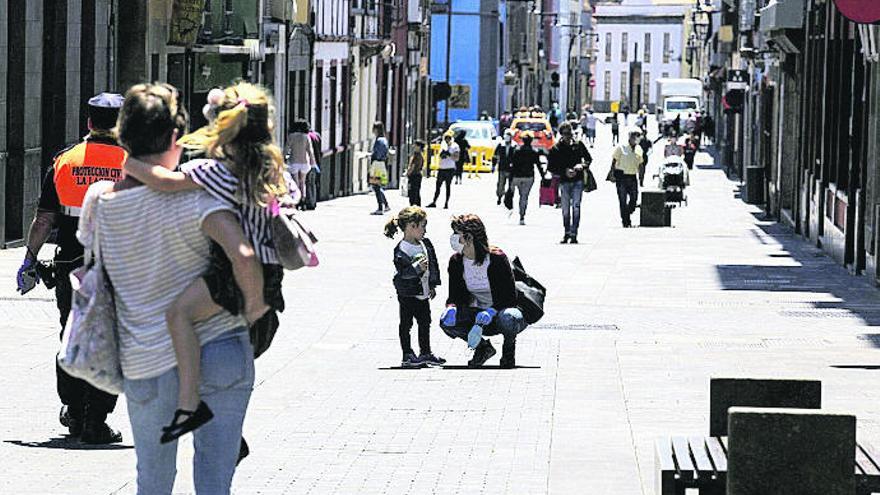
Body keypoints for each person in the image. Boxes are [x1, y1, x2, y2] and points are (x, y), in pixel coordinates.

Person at [85, 82, 261, 493]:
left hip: (147, 358)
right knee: (216, 482)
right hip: (222, 348)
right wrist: (253, 309)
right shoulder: (201, 196)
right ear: (175, 137)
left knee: (153, 480)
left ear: (123, 137)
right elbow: (244, 255)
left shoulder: (101, 201)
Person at [122, 82, 293, 448]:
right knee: (227, 355)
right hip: (272, 278)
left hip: (233, 274)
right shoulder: (274, 169)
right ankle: (228, 434)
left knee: (179, 315)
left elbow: (164, 182)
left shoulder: (215, 170)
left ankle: (190, 405)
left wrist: (129, 161)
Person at [16, 92, 126, 444]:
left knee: (71, 334)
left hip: (70, 263)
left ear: (89, 123)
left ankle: (75, 413)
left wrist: (30, 259)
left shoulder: (66, 160)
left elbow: (45, 217)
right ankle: (97, 418)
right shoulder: (135, 161)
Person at [439, 214, 527, 369]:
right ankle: (483, 349)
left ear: (469, 238)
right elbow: (455, 295)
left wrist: (492, 311)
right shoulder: (456, 262)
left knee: (508, 318)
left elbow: (510, 298)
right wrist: (451, 307)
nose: (453, 239)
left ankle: (508, 352)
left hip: (499, 313)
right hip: (476, 315)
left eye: (457, 235)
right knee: (447, 323)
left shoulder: (496, 258)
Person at [384, 207, 445, 368]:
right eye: (422, 226)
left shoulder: (425, 244)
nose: (424, 230)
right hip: (408, 293)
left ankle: (425, 352)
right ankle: (407, 355)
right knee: (406, 324)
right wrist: (416, 268)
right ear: (411, 226)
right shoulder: (402, 249)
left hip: (423, 293)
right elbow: (403, 273)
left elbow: (433, 264)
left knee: (425, 322)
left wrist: (432, 284)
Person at [548, 122, 592, 243]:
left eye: (570, 133)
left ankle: (574, 234)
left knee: (576, 207)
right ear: (561, 134)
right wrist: (564, 171)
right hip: (564, 181)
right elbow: (551, 167)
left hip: (578, 180)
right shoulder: (556, 149)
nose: (568, 136)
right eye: (566, 134)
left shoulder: (578, 145)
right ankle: (566, 232)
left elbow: (588, 159)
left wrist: (581, 166)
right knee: (566, 209)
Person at [509, 132, 545, 225]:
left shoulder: (517, 151)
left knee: (515, 194)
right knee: (524, 196)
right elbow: (538, 165)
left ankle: (512, 208)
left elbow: (513, 166)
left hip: (517, 176)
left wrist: (510, 179)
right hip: (528, 177)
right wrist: (543, 176)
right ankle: (522, 216)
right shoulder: (534, 151)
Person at [610, 130, 644, 228]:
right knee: (622, 200)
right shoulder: (621, 148)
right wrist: (611, 173)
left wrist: (641, 178)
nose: (635, 138)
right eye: (633, 136)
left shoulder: (639, 149)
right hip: (621, 177)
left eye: (637, 136)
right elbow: (614, 160)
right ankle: (625, 221)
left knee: (634, 199)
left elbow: (641, 164)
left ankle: (627, 213)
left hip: (633, 177)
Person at [286, 120, 317, 210]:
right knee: (302, 182)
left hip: (294, 161)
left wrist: (283, 158)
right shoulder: (306, 137)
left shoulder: (291, 136)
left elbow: (286, 148)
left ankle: (297, 201)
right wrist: (313, 162)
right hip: (304, 162)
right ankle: (303, 200)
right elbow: (310, 151)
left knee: (295, 182)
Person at [427, 133, 458, 209]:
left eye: (448, 138)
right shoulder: (443, 145)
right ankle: (434, 202)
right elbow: (439, 155)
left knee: (447, 187)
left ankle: (446, 203)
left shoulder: (455, 146)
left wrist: (449, 154)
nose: (447, 140)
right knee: (438, 186)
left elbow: (456, 158)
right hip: (441, 168)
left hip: (450, 169)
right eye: (446, 138)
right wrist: (442, 154)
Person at [369, 121, 391, 214]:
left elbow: (377, 153)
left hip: (377, 165)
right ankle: (386, 205)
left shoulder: (379, 141)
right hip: (381, 164)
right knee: (377, 185)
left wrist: (371, 156)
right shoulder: (384, 140)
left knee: (376, 186)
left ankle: (380, 208)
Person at [493, 130, 515, 205]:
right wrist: (493, 165)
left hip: (511, 169)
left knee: (511, 185)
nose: (507, 137)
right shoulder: (500, 145)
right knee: (500, 184)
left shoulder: (514, 146)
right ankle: (499, 197)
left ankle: (508, 198)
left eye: (509, 135)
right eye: (507, 135)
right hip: (502, 168)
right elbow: (495, 155)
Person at [406, 140, 426, 206]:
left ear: (419, 147)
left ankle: (413, 206)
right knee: (416, 193)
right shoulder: (421, 155)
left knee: (412, 193)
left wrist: (408, 173)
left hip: (414, 175)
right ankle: (417, 206)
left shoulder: (416, 155)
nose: (413, 146)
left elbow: (412, 166)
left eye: (415, 145)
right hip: (418, 175)